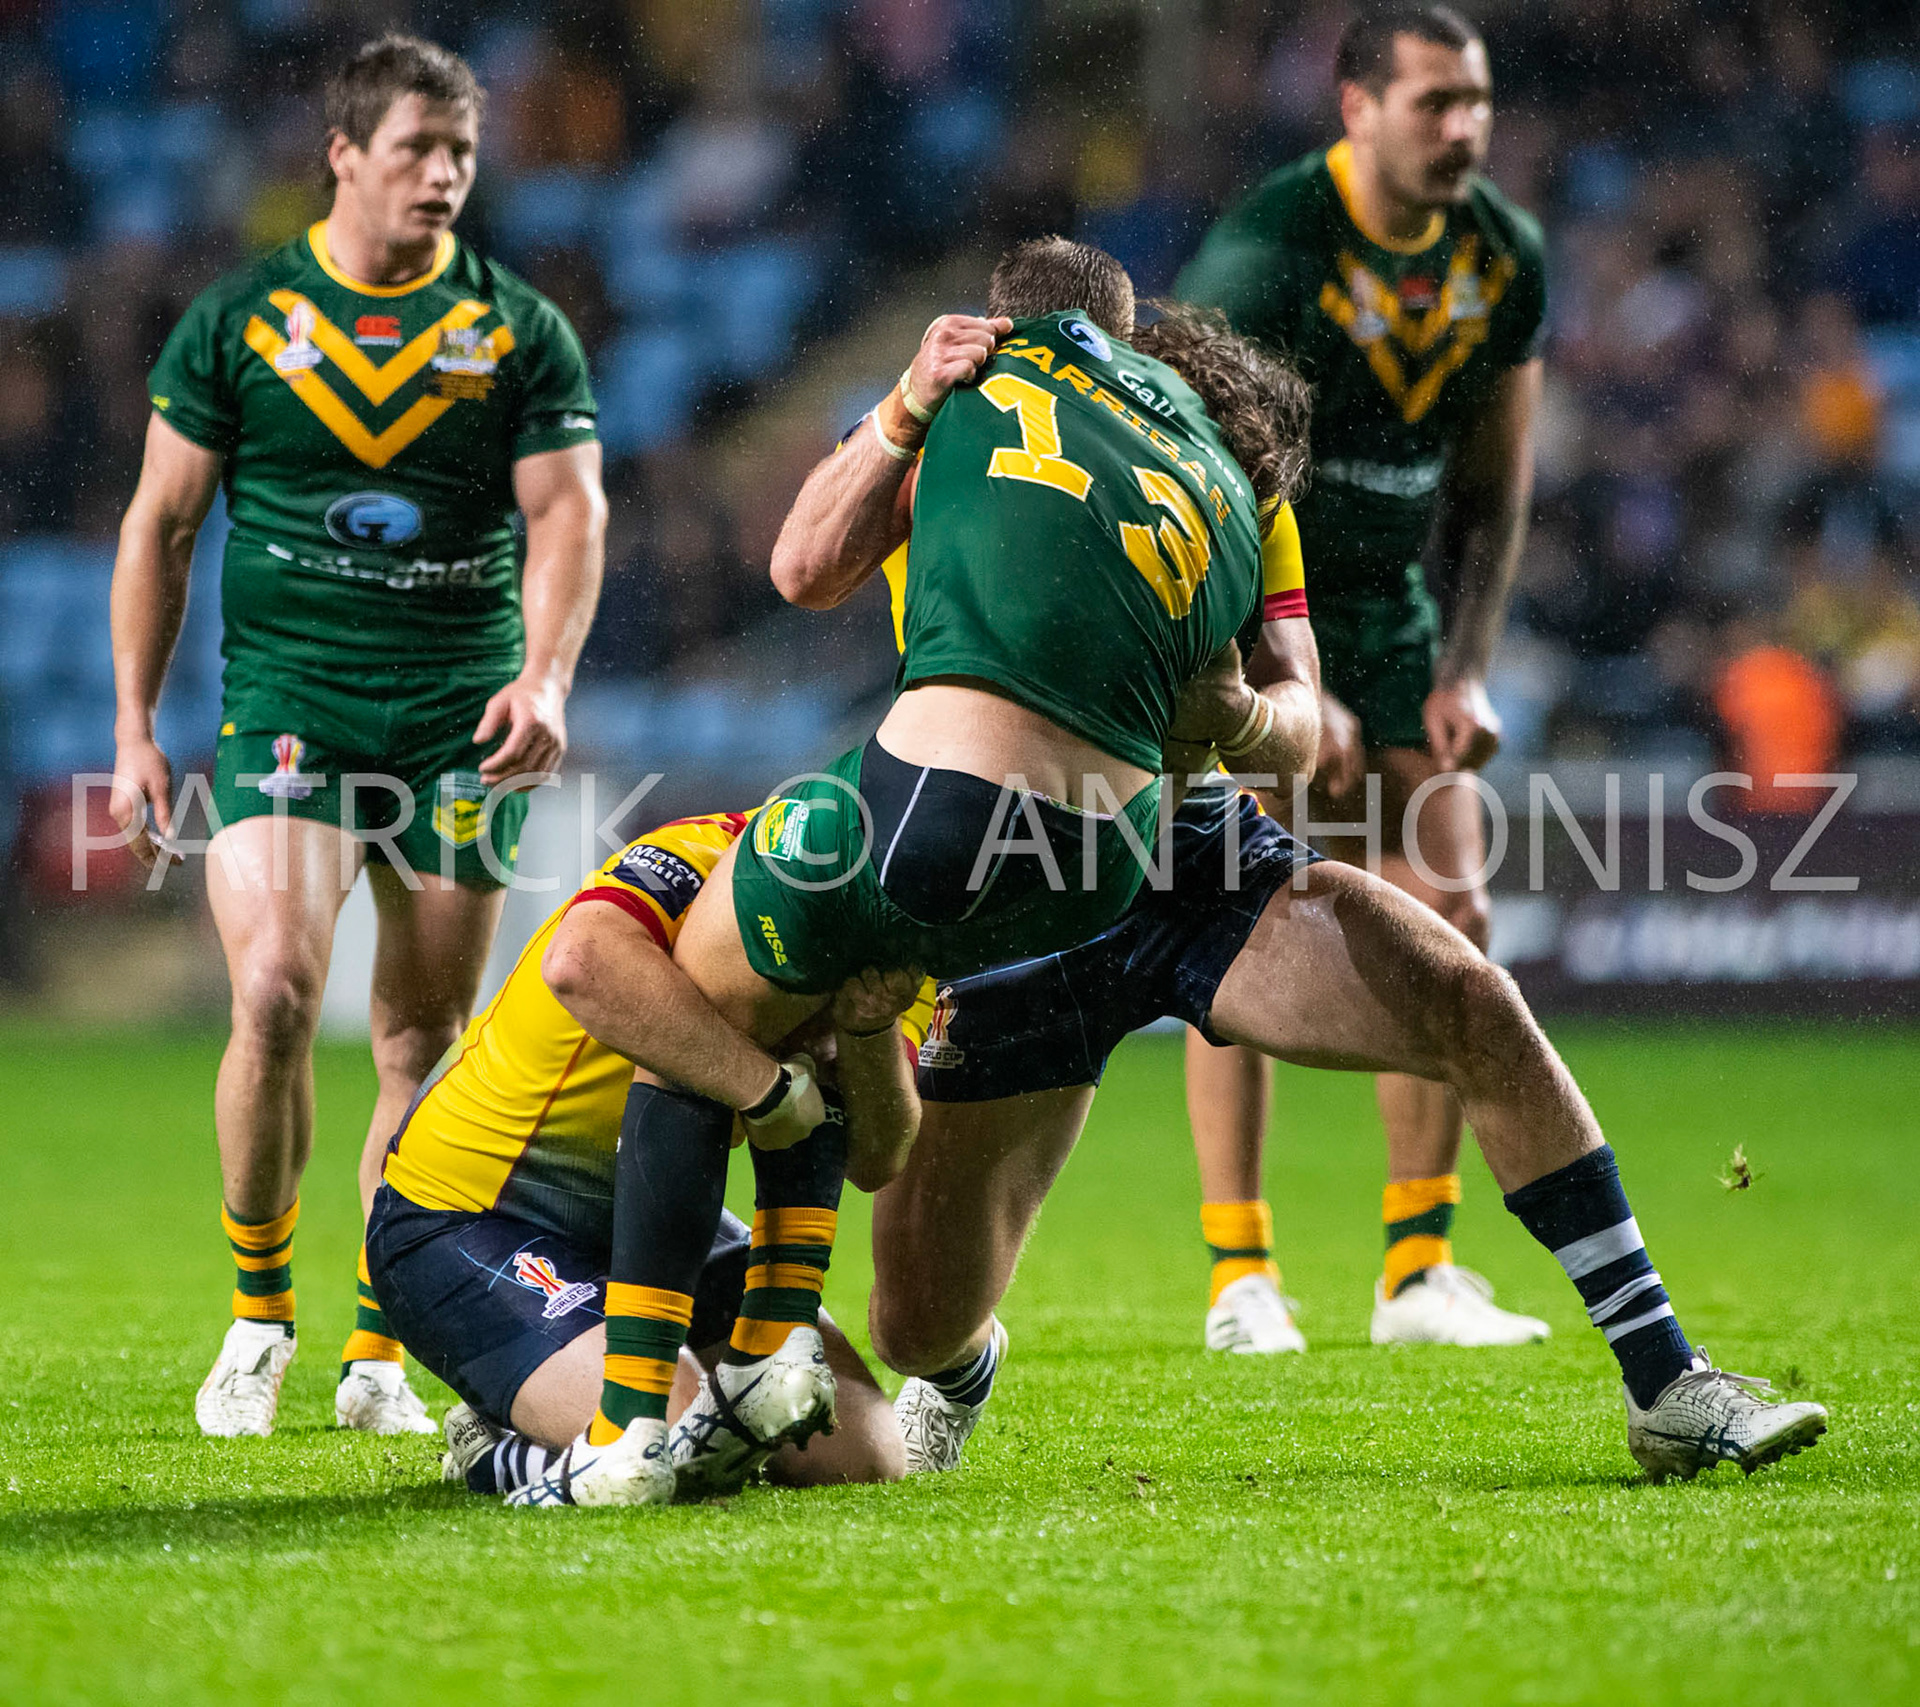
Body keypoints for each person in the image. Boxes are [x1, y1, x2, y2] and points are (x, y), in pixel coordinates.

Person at [547, 239, 1319, 1507]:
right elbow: (1298, 713)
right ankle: (816, 1354)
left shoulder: (957, 407)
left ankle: (646, 1415)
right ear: (1125, 342)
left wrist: (903, 405)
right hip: (1099, 860)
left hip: (942, 815)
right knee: (873, 1123)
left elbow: (799, 573)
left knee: (703, 1021)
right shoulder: (1206, 467)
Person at [107, 34, 606, 1437]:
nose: (444, 176)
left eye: (460, 153)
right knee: (270, 989)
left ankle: (381, 1339)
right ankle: (257, 1316)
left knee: (421, 1038)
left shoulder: (516, 329)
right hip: (291, 711)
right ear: (343, 155)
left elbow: (570, 514)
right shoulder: (243, 319)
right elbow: (160, 522)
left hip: (461, 716)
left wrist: (552, 674)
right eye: (415, 151)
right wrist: (136, 727)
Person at [867, 781, 1831, 1487]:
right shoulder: (947, 496)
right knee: (912, 1329)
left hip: (1193, 853)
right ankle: (965, 1362)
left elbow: (1293, 712)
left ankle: (1664, 1377)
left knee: (1471, 1000)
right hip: (1014, 879)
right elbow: (808, 569)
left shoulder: (1224, 501)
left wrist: (1245, 708)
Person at [1174, 4, 1550, 1350]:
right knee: (1235, 927)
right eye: (1435, 102)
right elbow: (1191, 465)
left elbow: (1497, 491)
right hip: (1247, 601)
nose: (1464, 128)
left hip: (1389, 618)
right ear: (1357, 108)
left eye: (1478, 102)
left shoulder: (1504, 256)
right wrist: (1276, 665)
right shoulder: (1275, 247)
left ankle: (1414, 1272)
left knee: (1454, 907)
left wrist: (1467, 665)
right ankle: (1241, 1276)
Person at [362, 811, 922, 1503]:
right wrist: (766, 1089)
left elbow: (877, 1156)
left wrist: (870, 1027)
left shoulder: (906, 918)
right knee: (670, 1439)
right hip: (466, 1213)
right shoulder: (708, 852)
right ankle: (493, 1448)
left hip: (654, 1210)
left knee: (862, 1454)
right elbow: (580, 964)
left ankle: (550, 1394)